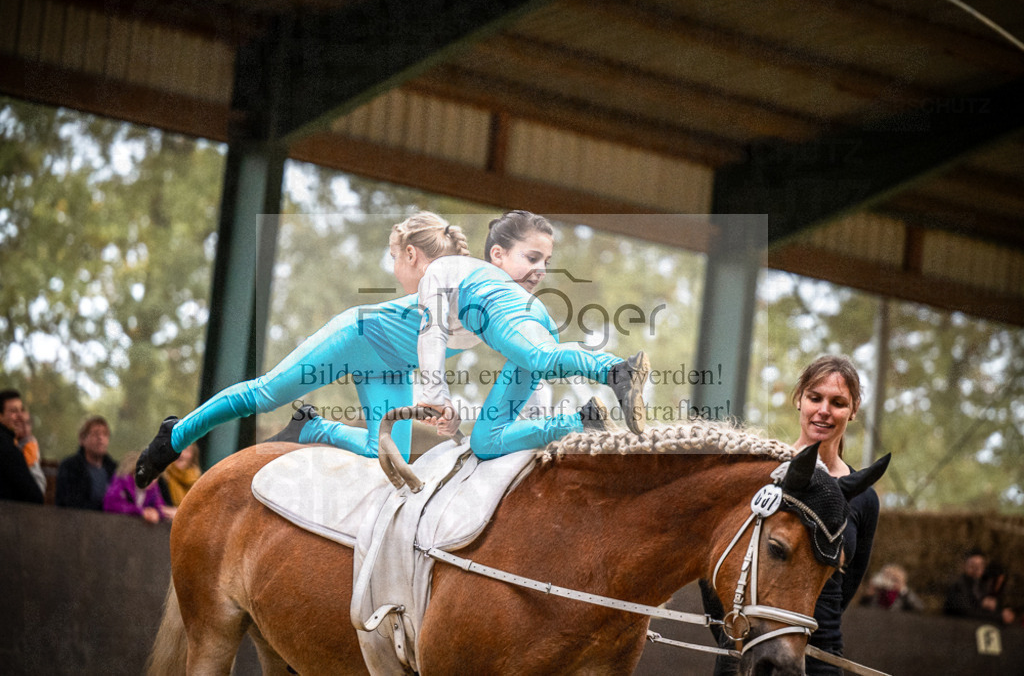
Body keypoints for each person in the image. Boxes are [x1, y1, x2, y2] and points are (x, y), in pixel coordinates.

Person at [136, 211, 642, 487]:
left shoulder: (482, 297)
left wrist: (451, 409)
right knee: (265, 394)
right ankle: (174, 434)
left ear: (411, 255)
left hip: (392, 365)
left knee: (396, 457)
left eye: (395, 257)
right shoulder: (450, 288)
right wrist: (440, 398)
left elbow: (455, 349)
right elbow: (434, 342)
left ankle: (314, 428)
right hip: (357, 337)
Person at [387, 210, 648, 458]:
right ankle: (584, 422)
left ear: (412, 254)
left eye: (544, 262)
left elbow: (432, 332)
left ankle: (617, 370)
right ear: (497, 254)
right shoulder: (478, 298)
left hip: (510, 314)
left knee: (540, 357)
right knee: (486, 442)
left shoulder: (443, 272)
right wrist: (449, 415)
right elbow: (531, 386)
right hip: (536, 324)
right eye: (533, 259)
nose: (542, 271)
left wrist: (433, 395)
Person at [700, 354, 881, 676]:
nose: (824, 410)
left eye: (838, 402)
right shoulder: (757, 473)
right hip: (748, 650)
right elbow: (711, 560)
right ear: (799, 399)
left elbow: (845, 587)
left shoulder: (864, 499)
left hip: (819, 656)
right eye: (815, 398)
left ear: (853, 411)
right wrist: (734, 638)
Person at [56, 415, 118, 510]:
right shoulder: (69, 467)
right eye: (96, 434)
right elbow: (69, 502)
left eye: (105, 434)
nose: (101, 438)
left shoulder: (115, 469)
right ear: (82, 439)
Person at [0, 389, 44, 504]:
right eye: (13, 411)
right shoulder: (7, 448)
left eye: (21, 410)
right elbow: (34, 496)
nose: (20, 416)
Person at [104, 451, 174, 523]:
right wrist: (141, 512)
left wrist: (157, 513)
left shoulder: (153, 489)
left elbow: (160, 506)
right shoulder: (122, 482)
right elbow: (110, 505)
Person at [859, 563, 924, 611]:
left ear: (903, 582)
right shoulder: (877, 593)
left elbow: (919, 608)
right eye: (887, 578)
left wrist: (903, 591)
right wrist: (870, 592)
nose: (891, 582)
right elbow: (862, 607)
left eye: (895, 580)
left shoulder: (904, 596)